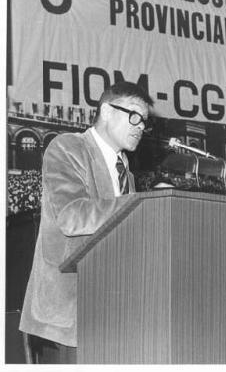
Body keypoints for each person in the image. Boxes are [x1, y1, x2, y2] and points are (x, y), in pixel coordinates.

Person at [19, 82, 153, 362]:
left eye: (144, 121)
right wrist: (143, 206)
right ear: (106, 111)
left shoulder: (126, 173)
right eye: (135, 116)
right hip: (70, 313)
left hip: (115, 310)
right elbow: (72, 216)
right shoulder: (68, 147)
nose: (140, 126)